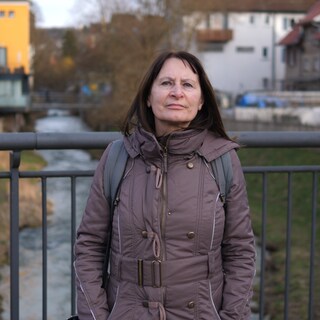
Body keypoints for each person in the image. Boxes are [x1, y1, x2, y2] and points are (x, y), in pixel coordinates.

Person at [74, 51, 256, 320]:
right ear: (148, 97)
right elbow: (89, 246)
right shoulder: (117, 158)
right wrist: (95, 316)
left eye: (187, 85)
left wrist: (233, 316)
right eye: (166, 83)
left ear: (201, 99)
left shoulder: (222, 161)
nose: (177, 92)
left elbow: (240, 251)